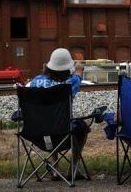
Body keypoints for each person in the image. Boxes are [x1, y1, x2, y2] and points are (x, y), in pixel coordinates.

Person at [26, 48, 87, 180]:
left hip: (37, 134)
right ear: (67, 69)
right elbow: (78, 74)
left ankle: (55, 168)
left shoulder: (35, 81)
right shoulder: (70, 84)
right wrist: (79, 67)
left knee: (48, 122)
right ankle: (73, 169)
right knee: (82, 128)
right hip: (63, 134)